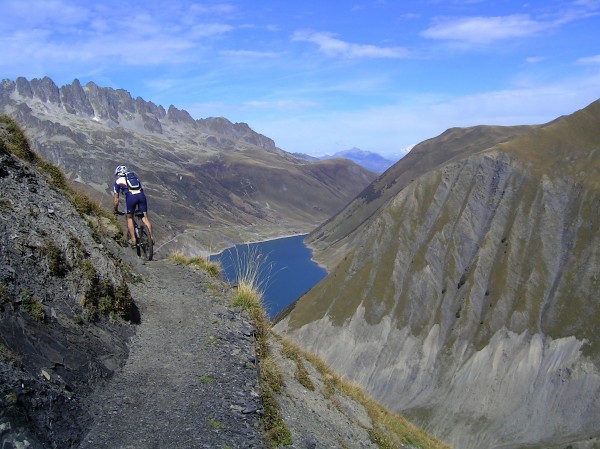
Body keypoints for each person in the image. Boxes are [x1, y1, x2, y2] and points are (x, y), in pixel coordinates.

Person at [113, 165, 154, 247]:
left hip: (131, 198)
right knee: (145, 217)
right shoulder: (135, 178)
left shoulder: (118, 182)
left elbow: (116, 200)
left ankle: (133, 240)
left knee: (129, 218)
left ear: (118, 173)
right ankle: (151, 238)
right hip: (141, 196)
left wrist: (115, 210)